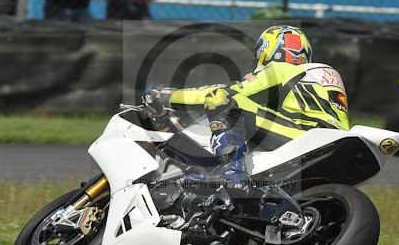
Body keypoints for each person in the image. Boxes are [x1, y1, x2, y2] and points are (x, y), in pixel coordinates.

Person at [143, 25, 350, 187]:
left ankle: (232, 171)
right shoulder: (316, 75)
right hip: (333, 140)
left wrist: (166, 96)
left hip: (302, 136)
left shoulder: (282, 69)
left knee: (221, 98)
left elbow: (227, 92)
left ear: (267, 50)